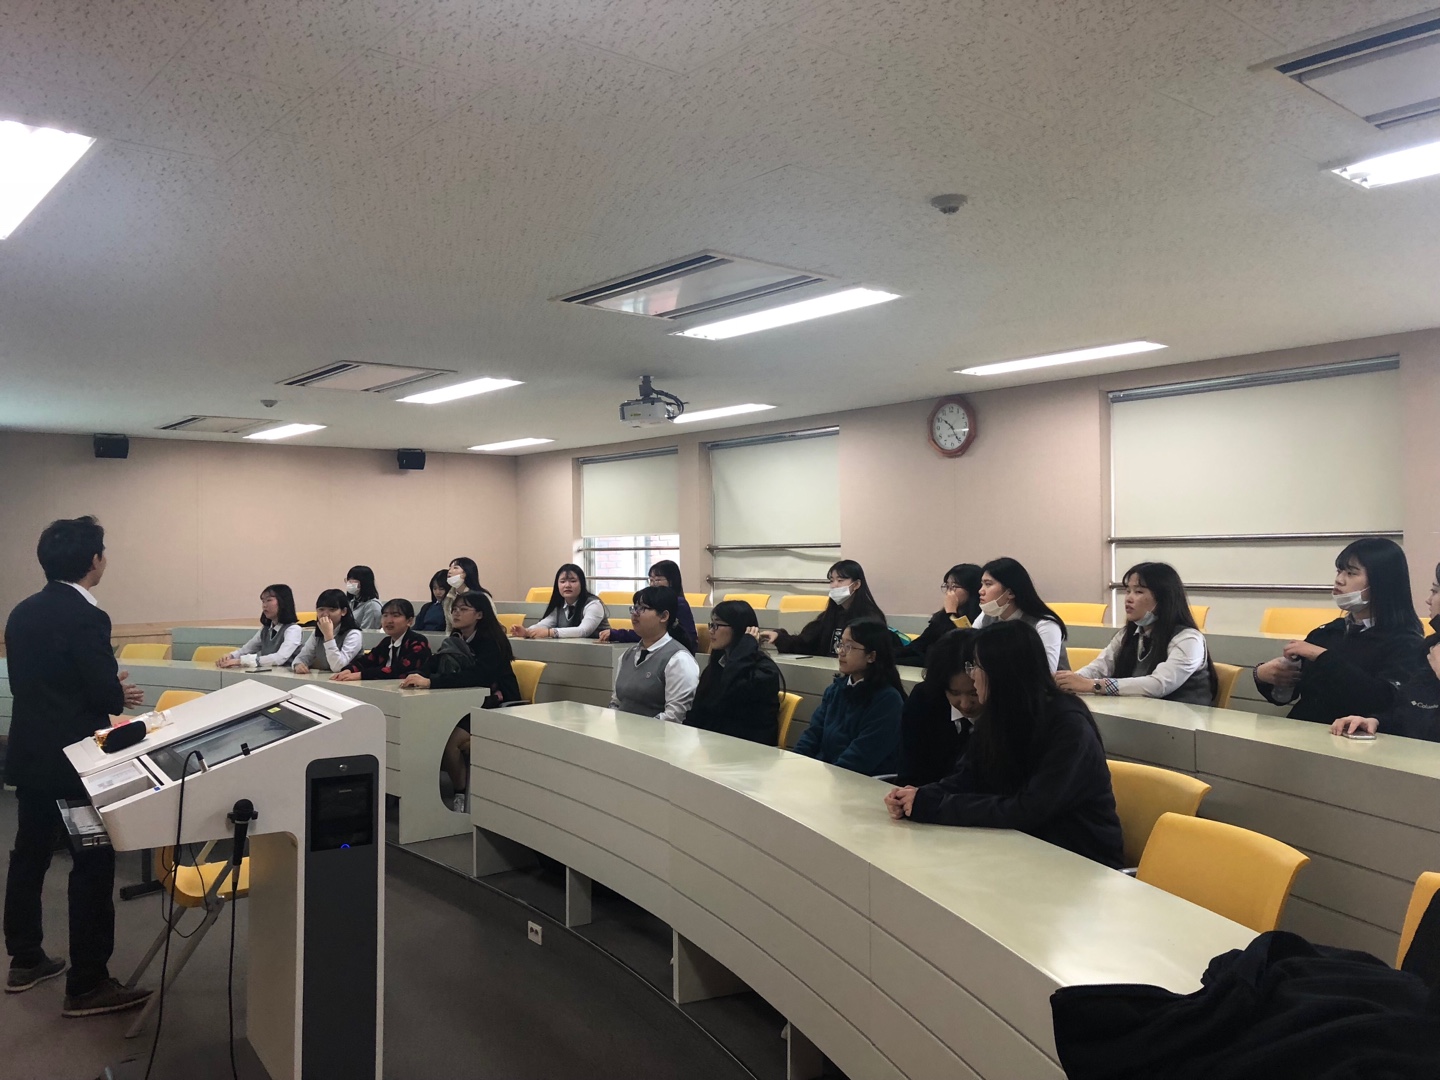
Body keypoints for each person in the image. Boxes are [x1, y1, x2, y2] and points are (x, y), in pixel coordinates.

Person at [3, 516, 152, 1016]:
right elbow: (103, 693)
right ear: (94, 560)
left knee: (29, 854)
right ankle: (88, 984)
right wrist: (116, 689)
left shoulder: (22, 612)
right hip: (75, 764)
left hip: (30, 753)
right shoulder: (88, 615)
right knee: (92, 863)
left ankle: (25, 959)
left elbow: (44, 682)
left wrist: (104, 686)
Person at [885, 620, 1124, 869]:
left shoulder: (1068, 725)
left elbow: (1029, 809)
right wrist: (918, 796)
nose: (971, 675)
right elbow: (968, 777)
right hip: (1020, 848)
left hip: (1078, 859)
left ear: (1001, 672)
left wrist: (935, 807)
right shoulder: (1000, 715)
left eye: (975, 667)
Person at [1255, 537, 1427, 726]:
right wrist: (1264, 675)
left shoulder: (1406, 641)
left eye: (1351, 573)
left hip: (1356, 736)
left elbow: (1383, 700)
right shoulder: (1327, 632)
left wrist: (1323, 657)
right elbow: (1286, 695)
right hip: (1304, 731)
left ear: (1382, 582)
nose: (1339, 580)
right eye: (1339, 571)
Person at [400, 591, 522, 811]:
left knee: (450, 741)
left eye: (463, 609)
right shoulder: (456, 640)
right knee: (424, 731)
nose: (456, 613)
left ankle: (460, 793)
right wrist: (417, 675)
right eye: (454, 609)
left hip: (494, 707)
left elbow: (477, 677)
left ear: (479, 615)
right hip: (462, 704)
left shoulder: (493, 642)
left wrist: (431, 682)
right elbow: (434, 663)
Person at [1054, 562, 1216, 704]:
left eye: (1138, 592)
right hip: (1142, 718)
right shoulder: (1128, 634)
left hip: (1183, 723)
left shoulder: (1188, 639)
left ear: (1164, 598)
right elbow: (1100, 667)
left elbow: (1158, 685)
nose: (1128, 599)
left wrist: (1093, 685)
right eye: (1128, 591)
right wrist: (1070, 681)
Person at [1332, 562, 1440, 741]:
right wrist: (1376, 722)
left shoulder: (1406, 641)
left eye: (1435, 591)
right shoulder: (1431, 647)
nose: (1428, 600)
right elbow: (1410, 712)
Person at [792, 620, 905, 776]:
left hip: (859, 781)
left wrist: (820, 778)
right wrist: (795, 764)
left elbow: (860, 758)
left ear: (871, 656)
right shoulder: (835, 690)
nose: (841, 652)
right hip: (826, 774)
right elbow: (812, 735)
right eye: (841, 644)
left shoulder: (888, 701)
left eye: (849, 646)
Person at [687, 600, 782, 745]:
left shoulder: (765, 671)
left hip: (748, 749)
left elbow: (732, 694)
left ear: (739, 628)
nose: (711, 631)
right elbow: (698, 711)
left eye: (717, 625)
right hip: (714, 744)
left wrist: (745, 648)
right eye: (711, 624)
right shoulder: (718, 664)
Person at [897, 629, 979, 787]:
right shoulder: (924, 700)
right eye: (954, 693)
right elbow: (908, 771)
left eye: (974, 693)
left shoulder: (1000, 716)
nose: (965, 704)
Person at [757, 559, 887, 657]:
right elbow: (804, 642)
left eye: (840, 580)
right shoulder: (830, 615)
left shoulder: (871, 617)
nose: (834, 585)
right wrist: (779, 637)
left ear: (857, 584)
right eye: (831, 581)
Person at [609, 586, 700, 724]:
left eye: (643, 608)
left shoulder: (679, 659)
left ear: (664, 616)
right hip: (623, 732)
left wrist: (641, 730)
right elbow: (616, 702)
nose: (635, 613)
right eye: (634, 608)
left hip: (657, 735)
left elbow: (675, 715)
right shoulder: (627, 655)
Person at [972, 557, 1070, 672]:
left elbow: (1046, 673)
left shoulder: (1045, 624)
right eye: (982, 584)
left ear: (1010, 593)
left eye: (988, 584)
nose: (981, 591)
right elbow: (969, 650)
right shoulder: (987, 615)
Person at [896, 563, 983, 666]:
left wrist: (952, 613)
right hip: (931, 661)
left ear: (972, 589)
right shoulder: (942, 617)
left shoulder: (981, 617)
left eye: (954, 586)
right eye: (947, 586)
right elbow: (919, 644)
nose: (949, 592)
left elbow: (965, 644)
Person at [600, 560, 697, 650]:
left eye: (657, 580)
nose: (653, 584)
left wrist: (617, 634)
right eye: (651, 580)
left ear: (671, 581)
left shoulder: (679, 603)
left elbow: (654, 632)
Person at [333, 598, 432, 681]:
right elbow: (367, 660)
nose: (389, 620)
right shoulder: (386, 642)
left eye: (395, 615)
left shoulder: (418, 642)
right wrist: (348, 670)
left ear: (409, 621)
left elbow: (399, 671)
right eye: (385, 615)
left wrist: (361, 675)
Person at [512, 564, 609, 639]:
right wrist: (527, 631)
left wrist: (550, 632)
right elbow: (545, 624)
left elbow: (583, 631)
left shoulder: (594, 604)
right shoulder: (560, 605)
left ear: (582, 584)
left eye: (573, 581)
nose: (567, 585)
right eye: (562, 582)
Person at [215, 584, 302, 669]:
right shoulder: (266, 629)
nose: (264, 605)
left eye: (269, 600)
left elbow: (279, 658)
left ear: (283, 602)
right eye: (263, 601)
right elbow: (247, 649)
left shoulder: (293, 629)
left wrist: (240, 661)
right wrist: (230, 656)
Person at [292, 589, 365, 674]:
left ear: (343, 611)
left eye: (332, 610)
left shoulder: (353, 634)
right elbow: (302, 657)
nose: (325, 614)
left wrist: (328, 636)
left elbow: (338, 667)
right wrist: (298, 665)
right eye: (321, 609)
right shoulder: (318, 633)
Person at [442, 556, 487, 632]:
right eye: (449, 568)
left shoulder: (481, 597)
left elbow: (489, 623)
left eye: (455, 568)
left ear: (466, 573)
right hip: (457, 637)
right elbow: (449, 626)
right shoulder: (449, 597)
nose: (449, 571)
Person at [345, 565, 382, 629]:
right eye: (349, 579)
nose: (350, 583)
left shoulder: (372, 606)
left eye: (354, 579)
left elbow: (367, 631)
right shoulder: (352, 602)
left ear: (365, 582)